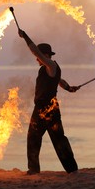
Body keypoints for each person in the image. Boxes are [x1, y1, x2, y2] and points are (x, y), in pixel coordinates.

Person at [18, 28, 79, 175]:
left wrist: (25, 36)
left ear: (45, 55)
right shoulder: (48, 69)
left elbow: (35, 52)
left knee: (34, 137)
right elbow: (59, 80)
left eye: (39, 56)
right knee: (58, 138)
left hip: (44, 109)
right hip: (52, 108)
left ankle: (34, 170)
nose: (36, 59)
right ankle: (72, 170)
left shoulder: (51, 65)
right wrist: (69, 88)